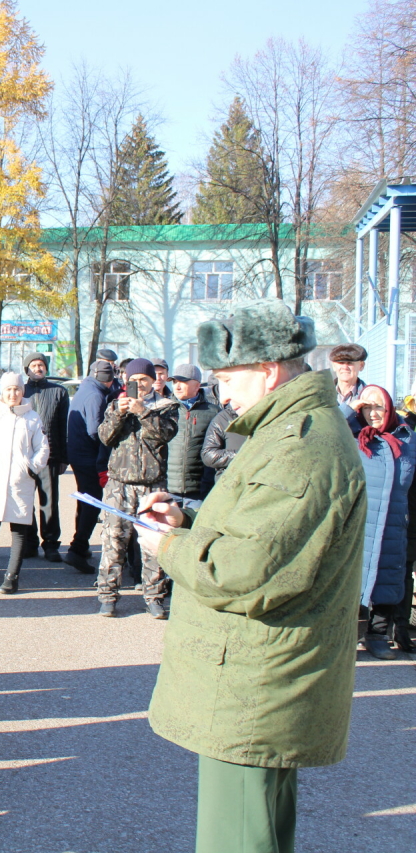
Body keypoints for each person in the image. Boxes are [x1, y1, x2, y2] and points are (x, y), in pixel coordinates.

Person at [137, 300, 365, 853]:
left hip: (255, 683)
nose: (223, 395)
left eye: (227, 379)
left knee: (238, 836)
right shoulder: (290, 431)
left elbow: (241, 572)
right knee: (256, 828)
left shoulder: (300, 445)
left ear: (267, 370)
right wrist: (189, 519)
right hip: (258, 680)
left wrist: (167, 546)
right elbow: (267, 532)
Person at [94, 357, 178, 618]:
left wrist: (143, 411)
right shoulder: (115, 404)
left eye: (144, 380)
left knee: (153, 545)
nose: (139, 384)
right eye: (133, 380)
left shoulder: (166, 406)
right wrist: (119, 414)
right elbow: (105, 437)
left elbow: (165, 435)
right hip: (119, 485)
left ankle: (155, 597)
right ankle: (108, 596)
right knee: (113, 542)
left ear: (153, 381)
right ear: (125, 381)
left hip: (152, 485)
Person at [343, 385, 415, 660]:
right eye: (367, 407)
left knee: (389, 578)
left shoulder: (407, 440)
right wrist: (349, 408)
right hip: (360, 522)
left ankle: (378, 635)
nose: (373, 413)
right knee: (354, 580)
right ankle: (347, 636)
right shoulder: (351, 437)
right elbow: (324, 432)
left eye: (379, 407)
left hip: (395, 523)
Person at [0, 373, 50, 593]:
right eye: (8, 389)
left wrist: (31, 468)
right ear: (2, 391)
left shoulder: (32, 417)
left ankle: (12, 576)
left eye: (17, 389)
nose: (13, 394)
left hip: (20, 481)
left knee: (19, 530)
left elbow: (43, 448)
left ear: (22, 391)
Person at [65, 361, 116, 573]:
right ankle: (77, 549)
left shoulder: (86, 388)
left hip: (78, 454)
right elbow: (95, 431)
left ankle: (81, 547)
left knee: (85, 501)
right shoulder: (96, 395)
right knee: (93, 503)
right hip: (88, 457)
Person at [21, 352, 69, 562]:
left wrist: (63, 457)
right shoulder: (20, 391)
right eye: (33, 365)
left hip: (50, 457)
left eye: (41, 365)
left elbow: (63, 426)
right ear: (27, 370)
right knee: (25, 500)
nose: (38, 368)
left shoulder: (59, 392)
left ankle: (50, 544)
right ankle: (29, 542)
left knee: (48, 502)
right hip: (24, 456)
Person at [165, 363, 220, 502]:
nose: (177, 386)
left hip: (199, 490)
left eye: (182, 382)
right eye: (174, 382)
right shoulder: (164, 409)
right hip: (167, 489)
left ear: (197, 385)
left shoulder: (213, 412)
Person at [201, 402, 244, 478]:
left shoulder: (265, 417)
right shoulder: (223, 418)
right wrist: (243, 455)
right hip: (230, 480)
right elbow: (208, 455)